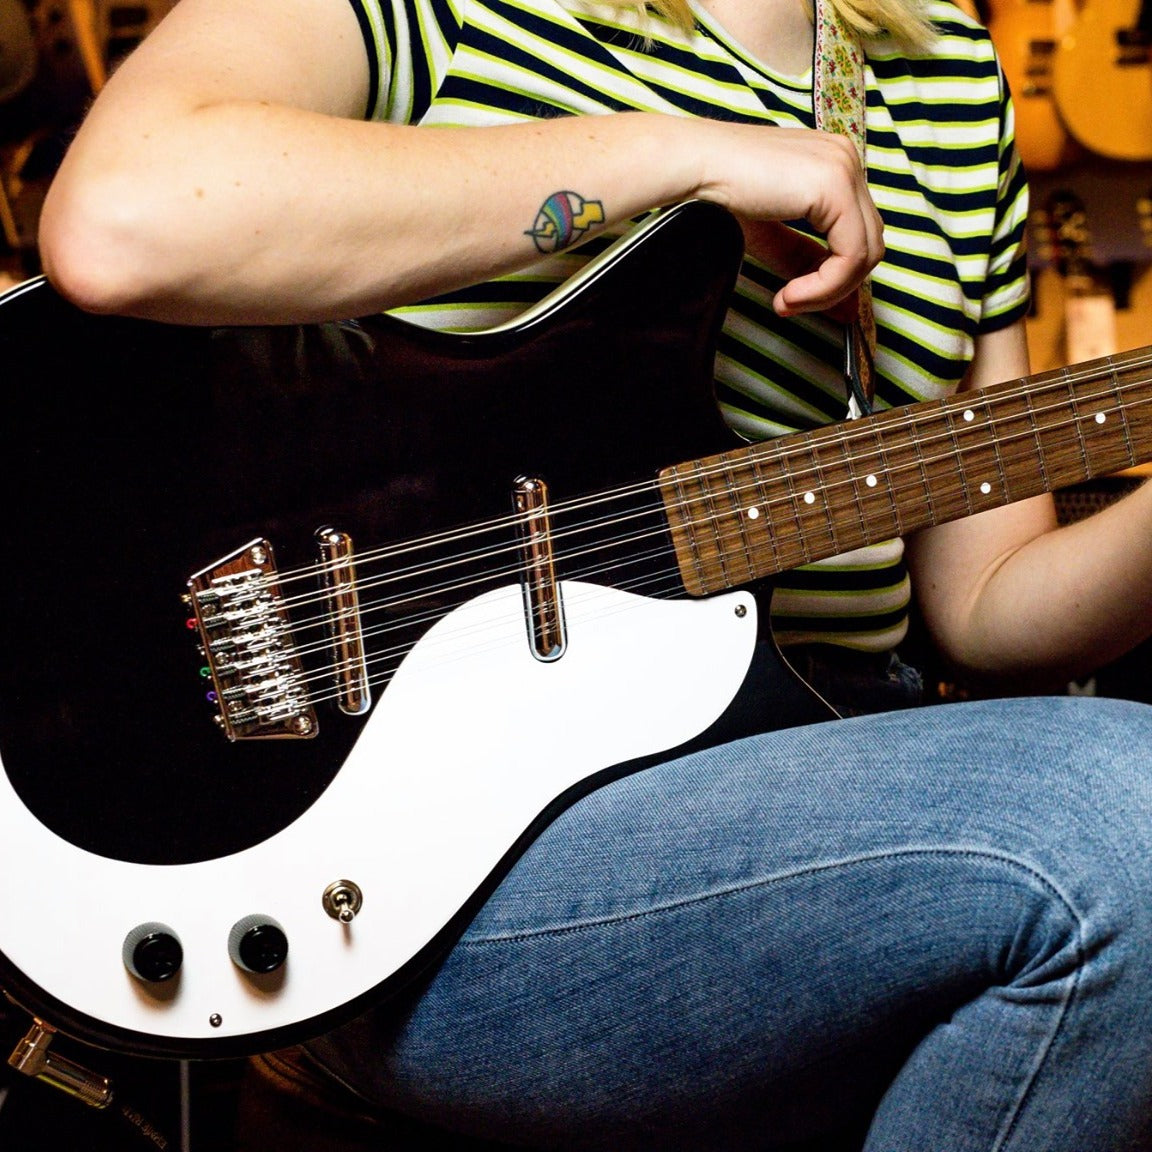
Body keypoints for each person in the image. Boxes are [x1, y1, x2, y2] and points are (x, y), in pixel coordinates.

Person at [32, 0, 1152, 1146]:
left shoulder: (943, 65)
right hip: (431, 850)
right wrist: (683, 154)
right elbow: (122, 217)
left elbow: (988, 600)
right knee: (1128, 813)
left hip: (831, 787)